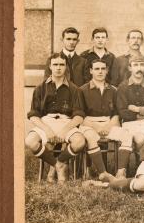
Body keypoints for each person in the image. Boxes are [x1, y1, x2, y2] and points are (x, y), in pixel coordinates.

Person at [25, 53, 86, 182]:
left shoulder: (75, 89)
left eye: (62, 65)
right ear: (50, 66)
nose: (58, 67)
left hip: (67, 122)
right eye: (55, 64)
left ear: (66, 67)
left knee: (79, 142)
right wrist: (46, 129)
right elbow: (33, 115)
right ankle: (58, 165)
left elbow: (79, 116)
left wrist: (65, 130)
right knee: (30, 141)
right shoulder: (40, 88)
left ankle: (60, 162)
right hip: (46, 121)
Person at [78, 58, 137, 181]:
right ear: (91, 71)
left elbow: (117, 113)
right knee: (91, 137)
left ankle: (121, 172)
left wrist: (108, 126)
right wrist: (97, 127)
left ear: (107, 71)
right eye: (96, 69)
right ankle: (103, 172)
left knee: (127, 135)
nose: (100, 72)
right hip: (89, 124)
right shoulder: (82, 90)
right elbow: (80, 114)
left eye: (103, 69)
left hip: (109, 123)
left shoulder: (114, 90)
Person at [116, 55, 144, 152]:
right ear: (130, 68)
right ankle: (140, 164)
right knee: (140, 139)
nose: (139, 68)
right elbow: (123, 111)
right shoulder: (123, 87)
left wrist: (135, 109)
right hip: (130, 123)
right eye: (135, 65)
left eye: (141, 65)